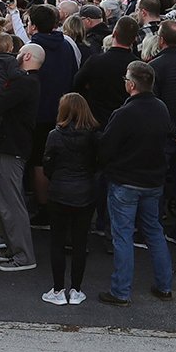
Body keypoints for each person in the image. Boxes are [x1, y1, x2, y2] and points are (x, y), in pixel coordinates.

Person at [97, 61, 176, 306]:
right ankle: (165, 285)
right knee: (154, 231)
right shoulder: (161, 108)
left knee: (122, 235)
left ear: (131, 85)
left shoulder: (124, 113)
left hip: (125, 181)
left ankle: (121, 291)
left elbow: (106, 148)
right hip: (153, 181)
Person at [0, 41, 42, 273]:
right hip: (12, 146)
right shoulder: (30, 82)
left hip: (9, 147)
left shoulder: (23, 82)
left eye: (19, 53)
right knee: (6, 201)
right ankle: (15, 248)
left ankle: (23, 254)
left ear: (26, 56)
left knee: (10, 203)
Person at [41, 93, 100, 306]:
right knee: (80, 241)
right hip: (84, 190)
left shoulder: (55, 135)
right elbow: (97, 162)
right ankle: (76, 289)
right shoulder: (93, 135)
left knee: (57, 241)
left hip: (59, 191)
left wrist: (56, 176)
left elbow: (47, 164)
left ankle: (58, 289)